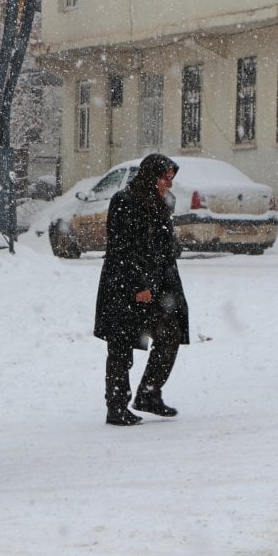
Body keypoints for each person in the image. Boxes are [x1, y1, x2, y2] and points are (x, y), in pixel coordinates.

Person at [94, 154, 190, 426]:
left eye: (171, 178)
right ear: (150, 175)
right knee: (121, 344)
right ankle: (116, 406)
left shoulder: (162, 201)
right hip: (126, 284)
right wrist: (138, 284)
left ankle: (149, 394)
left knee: (170, 331)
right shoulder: (125, 201)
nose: (168, 184)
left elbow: (159, 242)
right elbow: (122, 246)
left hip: (159, 283)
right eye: (164, 178)